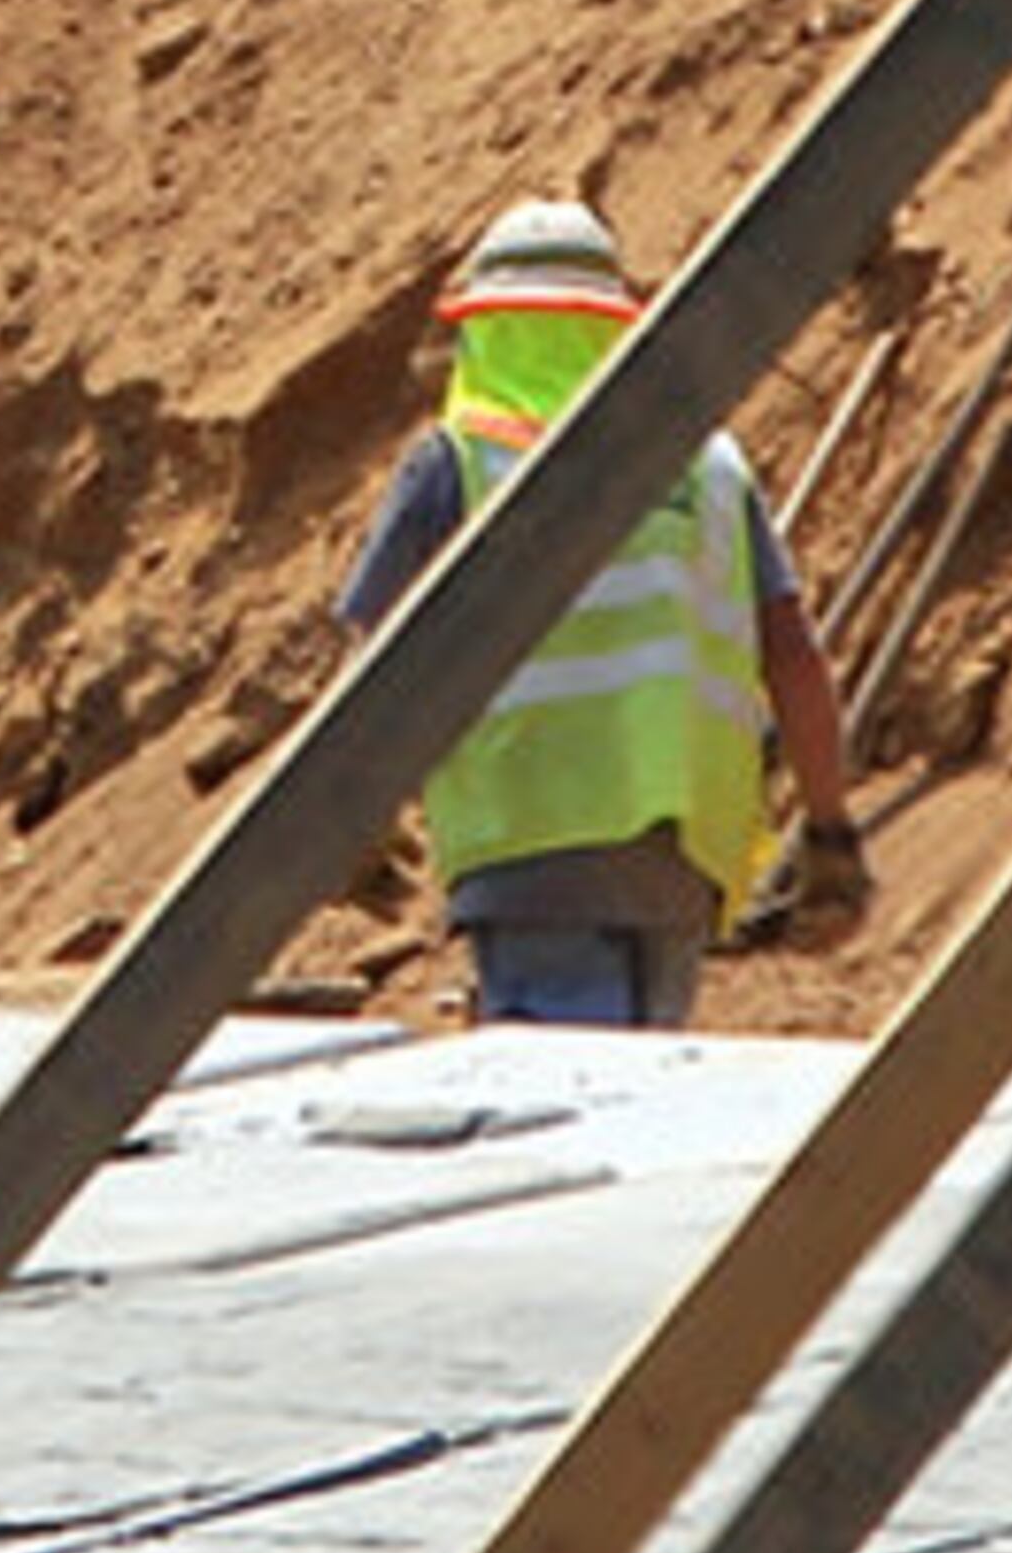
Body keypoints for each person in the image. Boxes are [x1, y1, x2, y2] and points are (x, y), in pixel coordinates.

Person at [335, 198, 868, 1028]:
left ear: (481, 329)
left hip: (524, 841)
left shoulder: (455, 464)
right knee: (638, 1103)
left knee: (556, 1118)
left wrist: (348, 819)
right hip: (682, 854)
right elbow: (792, 654)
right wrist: (831, 827)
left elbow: (374, 665)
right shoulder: (711, 467)